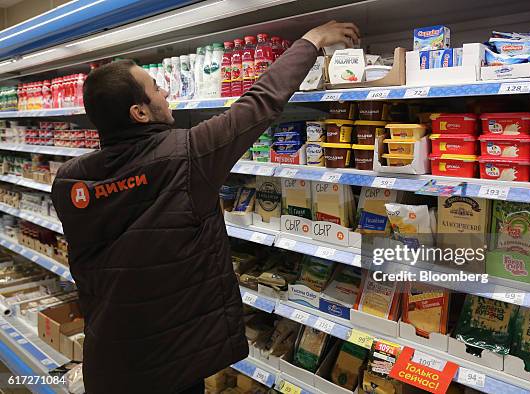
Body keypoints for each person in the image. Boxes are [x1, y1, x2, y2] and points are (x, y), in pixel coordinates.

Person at [50, 21, 359, 394]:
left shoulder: (70, 183)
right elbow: (259, 102)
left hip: (109, 359)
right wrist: (311, 41)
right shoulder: (186, 154)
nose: (165, 92)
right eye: (155, 89)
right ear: (140, 113)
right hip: (173, 363)